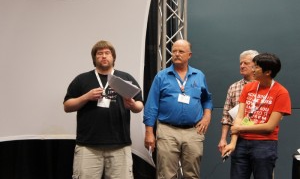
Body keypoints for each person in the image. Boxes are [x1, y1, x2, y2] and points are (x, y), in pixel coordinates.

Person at [63, 40, 144, 179]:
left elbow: (139, 105)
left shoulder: (125, 78)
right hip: (88, 146)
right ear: (94, 58)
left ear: (113, 57)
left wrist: (132, 104)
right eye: (99, 54)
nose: (104, 56)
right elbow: (67, 106)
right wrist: (86, 97)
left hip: (120, 145)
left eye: (107, 53)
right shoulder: (82, 79)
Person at [143, 39, 213, 179]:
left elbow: (207, 100)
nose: (176, 54)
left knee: (192, 175)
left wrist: (206, 117)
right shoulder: (161, 76)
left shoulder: (199, 76)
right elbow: (151, 106)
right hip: (167, 130)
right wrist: (149, 132)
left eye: (181, 51)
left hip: (194, 131)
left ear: (189, 55)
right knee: (166, 174)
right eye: (174, 51)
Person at [222, 53, 291, 179]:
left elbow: (270, 127)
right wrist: (232, 143)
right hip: (241, 143)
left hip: (264, 145)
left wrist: (240, 128)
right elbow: (239, 117)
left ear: (268, 72)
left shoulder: (281, 93)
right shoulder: (248, 88)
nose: (253, 70)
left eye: (257, 67)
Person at [218, 50, 259, 153]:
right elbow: (226, 116)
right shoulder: (234, 87)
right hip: (238, 139)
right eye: (240, 63)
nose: (242, 66)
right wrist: (223, 139)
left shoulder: (265, 86)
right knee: (238, 169)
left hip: (261, 139)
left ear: (255, 65)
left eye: (246, 63)